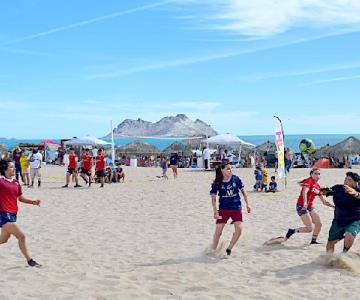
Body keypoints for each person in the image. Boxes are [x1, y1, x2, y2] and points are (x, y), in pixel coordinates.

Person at [0, 159, 41, 267]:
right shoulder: (0, 181)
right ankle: (30, 260)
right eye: (11, 167)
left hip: (13, 214)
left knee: (3, 240)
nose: (14, 169)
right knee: (21, 236)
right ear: (4, 169)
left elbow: (20, 198)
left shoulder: (16, 183)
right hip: (3, 215)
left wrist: (33, 202)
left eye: (13, 167)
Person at [210, 162, 251, 256]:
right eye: (228, 168)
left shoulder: (236, 179)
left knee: (239, 229)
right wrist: (215, 211)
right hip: (223, 209)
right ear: (222, 170)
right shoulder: (217, 182)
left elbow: (243, 192)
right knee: (218, 232)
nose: (230, 170)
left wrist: (247, 204)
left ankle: (229, 248)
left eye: (231, 168)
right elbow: (213, 198)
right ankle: (212, 249)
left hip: (236, 208)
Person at [285, 168, 334, 244]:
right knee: (309, 228)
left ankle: (313, 241)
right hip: (301, 206)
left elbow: (324, 201)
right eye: (315, 173)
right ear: (311, 174)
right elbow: (304, 192)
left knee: (319, 224)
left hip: (310, 207)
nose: (317, 175)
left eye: (319, 174)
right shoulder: (309, 181)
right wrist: (305, 202)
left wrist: (334, 206)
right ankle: (292, 231)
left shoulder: (317, 186)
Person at [322, 172, 360, 253]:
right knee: (331, 242)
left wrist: (355, 193)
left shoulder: (358, 190)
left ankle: (344, 254)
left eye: (349, 180)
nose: (346, 181)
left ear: (356, 182)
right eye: (345, 179)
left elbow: (358, 194)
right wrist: (322, 191)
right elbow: (328, 191)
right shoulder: (338, 188)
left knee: (349, 235)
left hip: (355, 220)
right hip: (339, 219)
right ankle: (329, 259)